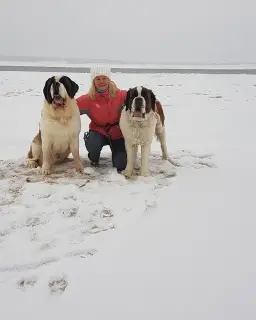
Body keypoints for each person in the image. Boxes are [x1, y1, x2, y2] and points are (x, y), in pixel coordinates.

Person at [76, 66, 127, 173]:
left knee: (120, 165)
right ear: (93, 81)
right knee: (93, 144)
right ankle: (93, 156)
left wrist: (154, 105)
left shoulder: (122, 95)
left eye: (104, 78)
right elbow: (70, 108)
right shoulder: (88, 99)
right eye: (98, 79)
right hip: (98, 132)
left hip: (118, 133)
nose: (101, 81)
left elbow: (140, 99)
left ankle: (120, 154)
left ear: (109, 79)